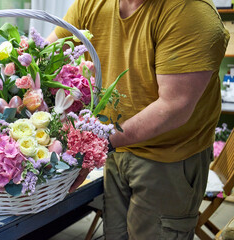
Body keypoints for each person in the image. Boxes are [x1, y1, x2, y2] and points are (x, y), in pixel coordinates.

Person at [47, 0, 229, 239]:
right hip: (117, 147)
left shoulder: (190, 12)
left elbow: (174, 107)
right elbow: (46, 55)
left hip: (168, 158)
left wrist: (96, 146)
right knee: (115, 234)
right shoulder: (90, 5)